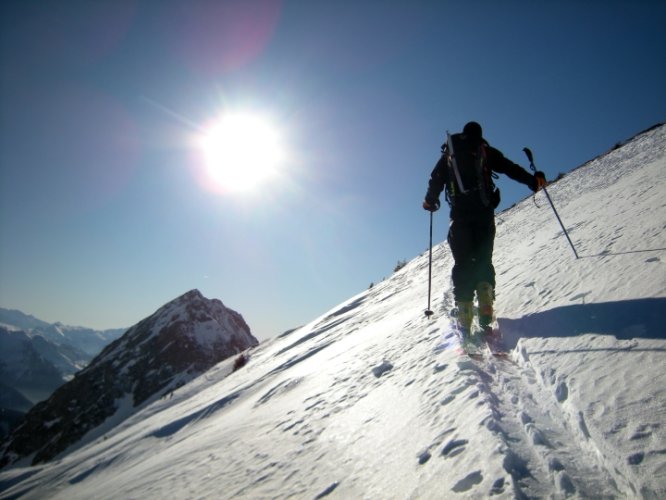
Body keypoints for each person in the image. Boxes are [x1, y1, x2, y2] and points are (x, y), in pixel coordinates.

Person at [422, 121, 546, 336]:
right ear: (480, 136)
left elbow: (436, 179)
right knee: (483, 259)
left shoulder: (449, 156)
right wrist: (532, 181)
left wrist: (430, 201)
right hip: (484, 213)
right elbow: (510, 168)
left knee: (462, 262)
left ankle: (464, 312)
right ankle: (486, 305)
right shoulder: (485, 152)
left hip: (459, 216)